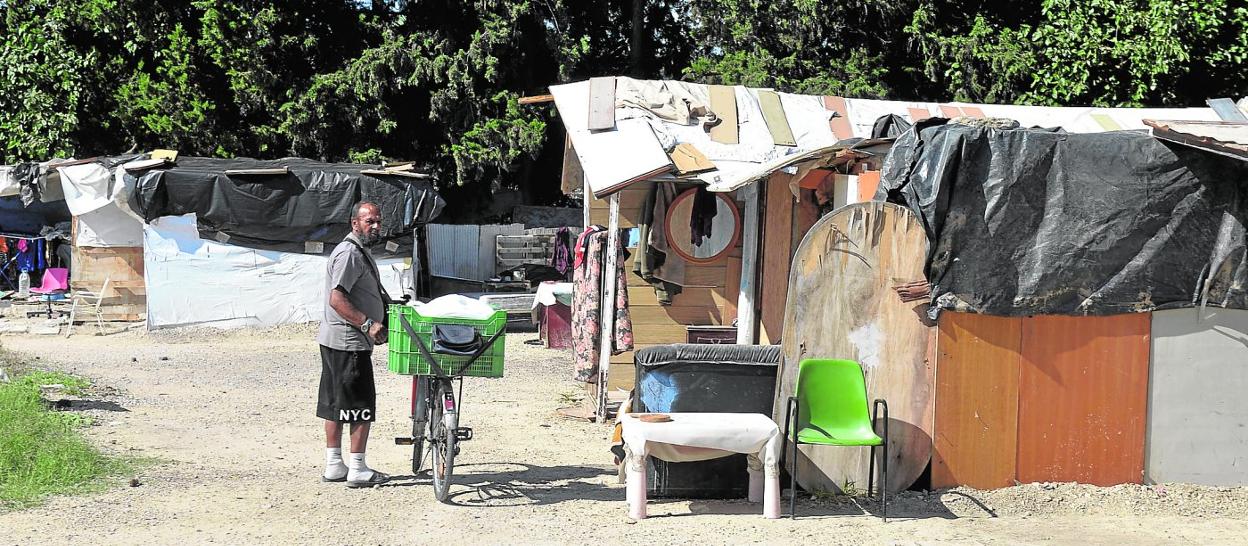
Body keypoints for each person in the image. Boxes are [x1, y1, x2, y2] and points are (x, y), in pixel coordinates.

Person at [316, 201, 391, 488]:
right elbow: (337, 299)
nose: (375, 226)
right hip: (349, 342)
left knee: (335, 404)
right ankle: (357, 468)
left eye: (378, 221)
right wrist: (367, 324)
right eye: (369, 221)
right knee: (360, 406)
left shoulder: (358, 250)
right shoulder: (349, 253)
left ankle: (334, 465)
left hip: (337, 341)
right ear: (354, 223)